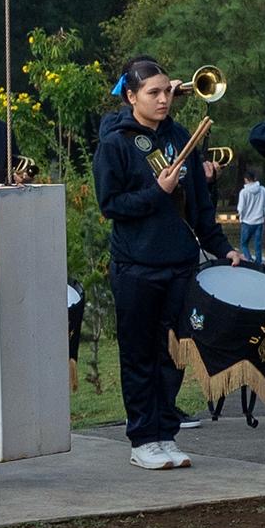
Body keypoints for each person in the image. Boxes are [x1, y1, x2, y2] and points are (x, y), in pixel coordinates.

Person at [94, 60, 202, 473]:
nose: (163, 99)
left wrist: (219, 245)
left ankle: (165, 432)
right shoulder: (116, 142)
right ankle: (143, 437)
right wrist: (157, 192)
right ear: (131, 96)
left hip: (179, 263)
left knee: (172, 353)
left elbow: (200, 205)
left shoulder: (180, 137)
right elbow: (112, 205)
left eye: (166, 91)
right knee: (139, 354)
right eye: (153, 93)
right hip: (136, 266)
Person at [232, 160, 265, 266]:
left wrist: (240, 217)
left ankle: (249, 259)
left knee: (244, 244)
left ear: (245, 179)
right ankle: (258, 262)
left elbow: (241, 208)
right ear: (254, 178)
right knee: (257, 244)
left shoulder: (244, 192)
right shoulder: (262, 190)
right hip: (259, 221)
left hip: (247, 221)